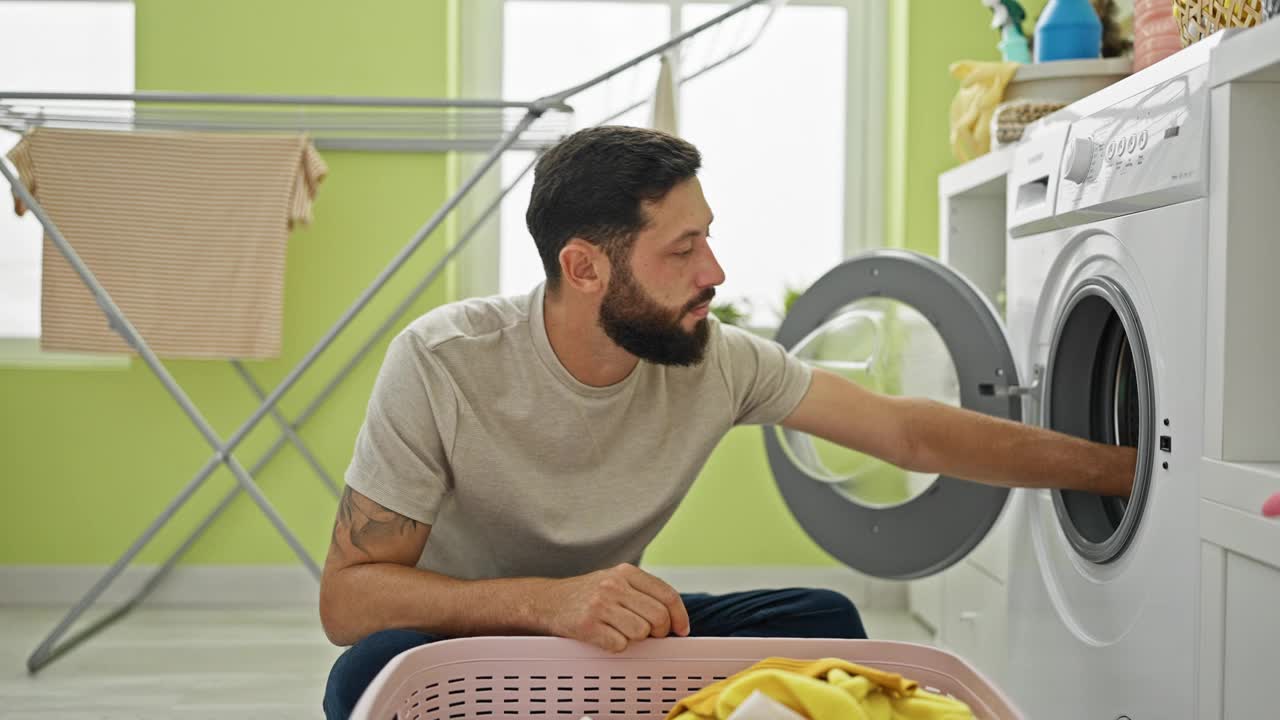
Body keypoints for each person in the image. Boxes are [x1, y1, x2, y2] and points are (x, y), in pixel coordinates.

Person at [319, 126, 1136, 718]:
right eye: (682, 250)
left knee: (826, 626)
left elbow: (908, 434)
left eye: (707, 237)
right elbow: (348, 600)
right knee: (369, 675)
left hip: (613, 632)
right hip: (474, 644)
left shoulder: (716, 357)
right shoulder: (444, 360)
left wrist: (1124, 470)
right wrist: (547, 603)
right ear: (583, 266)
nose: (714, 271)